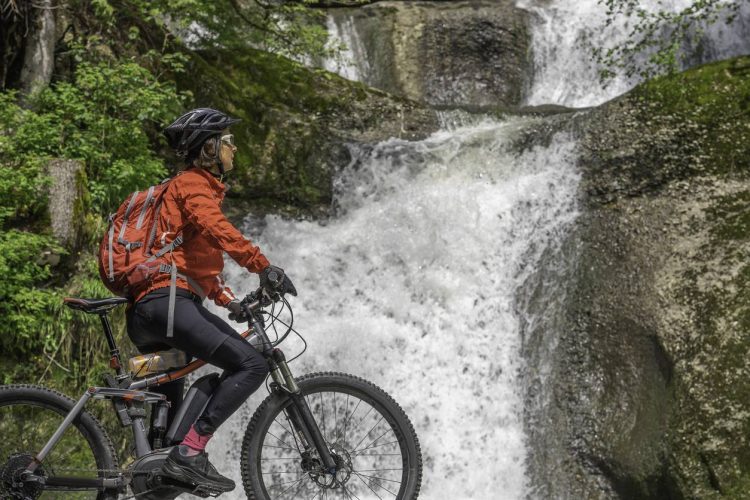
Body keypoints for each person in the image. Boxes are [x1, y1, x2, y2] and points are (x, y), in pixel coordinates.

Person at [125, 108, 297, 492]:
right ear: (209, 148)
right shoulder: (192, 184)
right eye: (228, 142)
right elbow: (216, 229)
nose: (234, 149)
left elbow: (195, 264)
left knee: (167, 430)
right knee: (251, 364)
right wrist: (262, 265)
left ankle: (163, 468)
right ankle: (190, 454)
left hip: (152, 312)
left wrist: (229, 302)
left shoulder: (186, 191)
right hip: (169, 306)